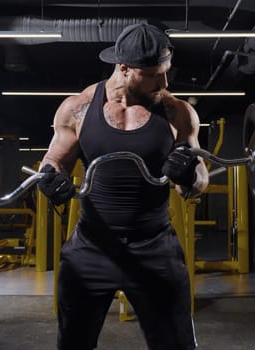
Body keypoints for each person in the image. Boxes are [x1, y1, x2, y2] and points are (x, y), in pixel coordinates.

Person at [38, 22, 209, 350]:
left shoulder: (178, 113)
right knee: (73, 344)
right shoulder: (78, 108)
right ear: (124, 68)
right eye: (154, 74)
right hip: (91, 247)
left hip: (155, 247)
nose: (165, 82)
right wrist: (50, 179)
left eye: (166, 71)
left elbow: (199, 182)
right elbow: (53, 160)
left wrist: (188, 175)